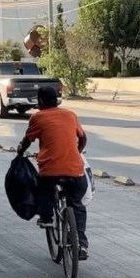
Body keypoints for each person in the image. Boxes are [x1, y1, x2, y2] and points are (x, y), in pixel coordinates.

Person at [17, 85, 89, 259]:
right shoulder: (70, 115)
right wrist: (77, 152)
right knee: (77, 203)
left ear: (40, 101)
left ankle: (47, 217)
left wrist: (20, 151)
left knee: (43, 187)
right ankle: (82, 245)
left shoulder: (38, 117)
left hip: (50, 171)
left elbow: (27, 140)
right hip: (75, 170)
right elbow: (83, 138)